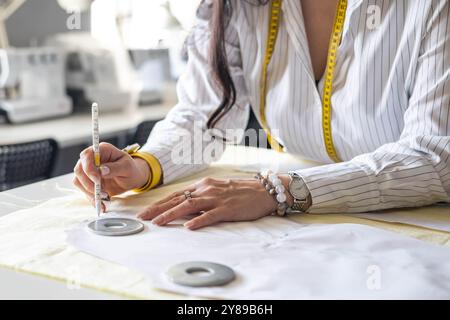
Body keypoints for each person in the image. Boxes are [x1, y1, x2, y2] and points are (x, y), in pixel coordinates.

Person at [74, 0, 450, 230]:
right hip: (316, 228)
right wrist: (143, 167)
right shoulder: (241, 5)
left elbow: (435, 157)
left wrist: (279, 191)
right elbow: (202, 117)